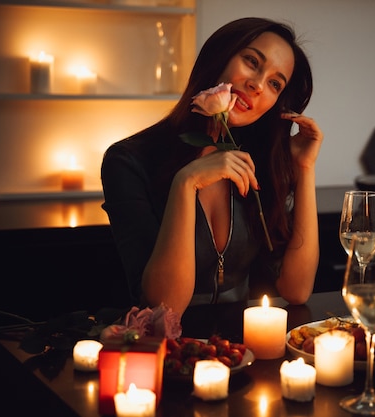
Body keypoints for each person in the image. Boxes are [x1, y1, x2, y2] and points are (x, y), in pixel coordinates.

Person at [101, 18, 323, 319]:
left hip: (240, 350)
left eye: (274, 83)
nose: (257, 85)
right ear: (219, 55)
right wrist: (186, 182)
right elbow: (164, 306)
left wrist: (304, 167)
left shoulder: (262, 163)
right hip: (164, 350)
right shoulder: (127, 161)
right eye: (251, 61)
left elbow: (297, 290)